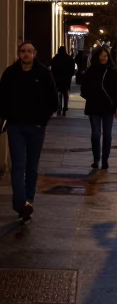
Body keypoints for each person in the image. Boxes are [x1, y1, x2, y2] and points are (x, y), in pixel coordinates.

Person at [0, 40, 58, 221]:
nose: (25, 54)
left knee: (32, 166)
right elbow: (2, 98)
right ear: (19, 54)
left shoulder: (43, 73)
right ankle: (20, 202)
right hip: (16, 126)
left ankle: (28, 201)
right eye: (22, 51)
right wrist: (6, 117)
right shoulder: (10, 74)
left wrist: (43, 120)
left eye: (29, 51)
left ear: (35, 53)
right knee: (18, 165)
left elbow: (52, 100)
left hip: (36, 127)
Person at [80, 46, 117, 170]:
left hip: (109, 107)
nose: (103, 58)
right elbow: (84, 89)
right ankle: (96, 159)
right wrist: (91, 95)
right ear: (97, 57)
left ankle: (105, 159)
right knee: (96, 134)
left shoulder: (113, 71)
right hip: (94, 106)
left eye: (105, 56)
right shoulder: (91, 71)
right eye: (101, 55)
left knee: (107, 134)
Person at [50, 46, 76, 115]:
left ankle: (59, 107)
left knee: (59, 93)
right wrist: (70, 75)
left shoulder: (55, 58)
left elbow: (52, 68)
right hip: (66, 79)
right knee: (65, 93)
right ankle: (65, 107)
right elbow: (72, 69)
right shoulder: (69, 58)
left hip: (57, 78)